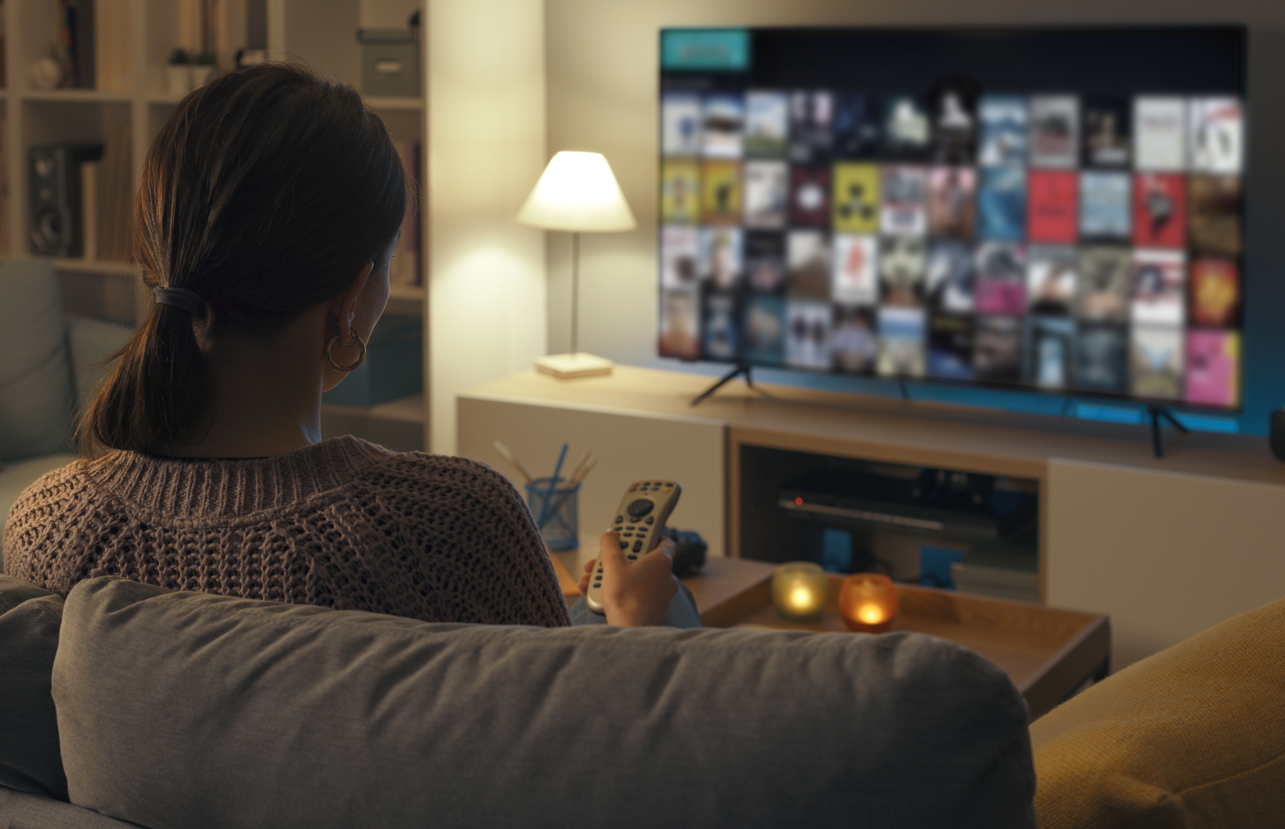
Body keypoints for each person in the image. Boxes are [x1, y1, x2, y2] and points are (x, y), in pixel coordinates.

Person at [2, 64, 683, 629]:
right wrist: (637, 631)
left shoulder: (45, 529)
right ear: (352, 296)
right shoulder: (456, 527)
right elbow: (573, 758)